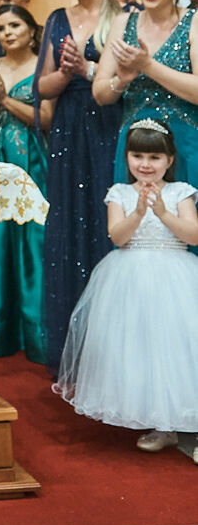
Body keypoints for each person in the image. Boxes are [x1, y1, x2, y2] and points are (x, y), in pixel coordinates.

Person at [53, 121, 198, 452]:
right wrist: (138, 212)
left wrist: (162, 211)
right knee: (145, 349)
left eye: (154, 157)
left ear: (169, 160)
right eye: (137, 155)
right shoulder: (119, 193)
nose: (145, 164)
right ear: (127, 157)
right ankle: (162, 425)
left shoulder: (181, 192)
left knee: (182, 349)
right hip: (130, 278)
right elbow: (118, 237)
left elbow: (193, 235)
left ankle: (191, 422)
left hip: (178, 277)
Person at [35, 0, 122, 371]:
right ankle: (78, 350)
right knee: (71, 227)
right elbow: (43, 87)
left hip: (109, 124)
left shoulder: (123, 16)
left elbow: (127, 76)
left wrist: (91, 70)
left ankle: (115, 348)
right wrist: (67, 71)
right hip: (69, 129)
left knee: (107, 222)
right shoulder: (57, 19)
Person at [0, 6, 49, 362]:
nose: (7, 32)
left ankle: (37, 333)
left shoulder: (44, 66)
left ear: (31, 29)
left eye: (15, 25)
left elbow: (46, 119)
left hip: (31, 160)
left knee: (33, 243)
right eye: (0, 28)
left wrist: (6, 99)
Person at [94, 0, 198, 187]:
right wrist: (121, 80)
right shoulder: (123, 23)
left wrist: (148, 66)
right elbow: (99, 93)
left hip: (185, 145)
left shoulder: (193, 22)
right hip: (135, 149)